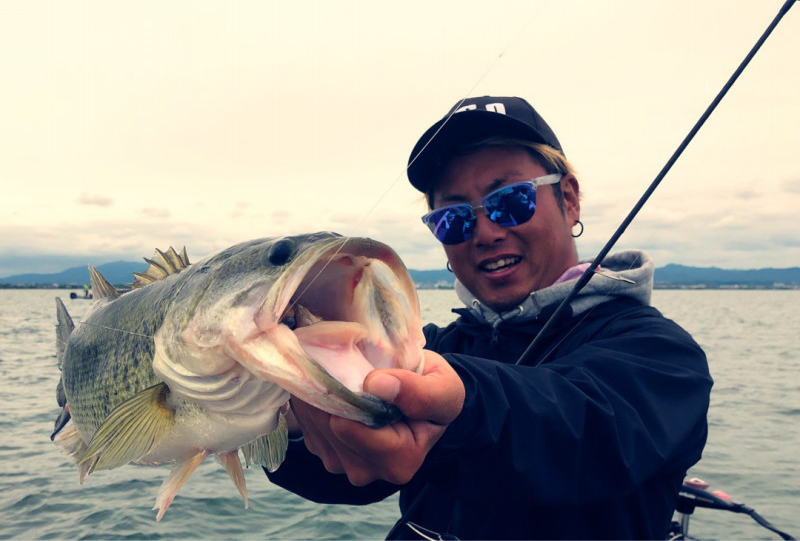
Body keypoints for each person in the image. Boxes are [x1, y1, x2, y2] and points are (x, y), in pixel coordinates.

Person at [266, 95, 713, 540]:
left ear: (569, 199)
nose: (485, 232)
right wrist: (287, 415)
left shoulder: (661, 355)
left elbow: (586, 433)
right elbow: (348, 476)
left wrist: (460, 410)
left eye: (511, 201)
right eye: (453, 219)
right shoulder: (430, 348)